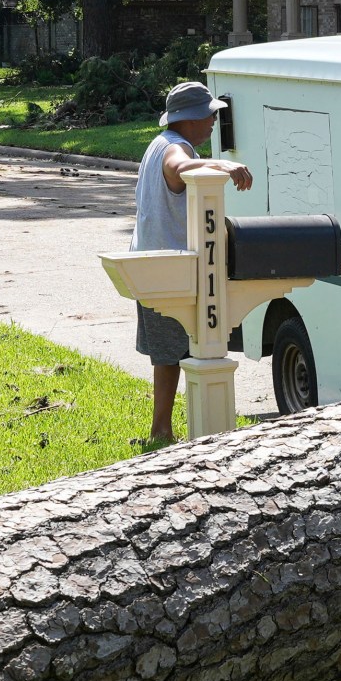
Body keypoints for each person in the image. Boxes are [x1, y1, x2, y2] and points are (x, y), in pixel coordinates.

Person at [133, 80, 253, 444]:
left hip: (152, 265)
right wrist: (224, 165)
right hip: (168, 268)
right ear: (190, 118)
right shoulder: (175, 148)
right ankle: (164, 431)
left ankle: (162, 430)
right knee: (179, 352)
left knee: (167, 355)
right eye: (211, 114)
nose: (214, 121)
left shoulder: (159, 143)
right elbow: (180, 167)